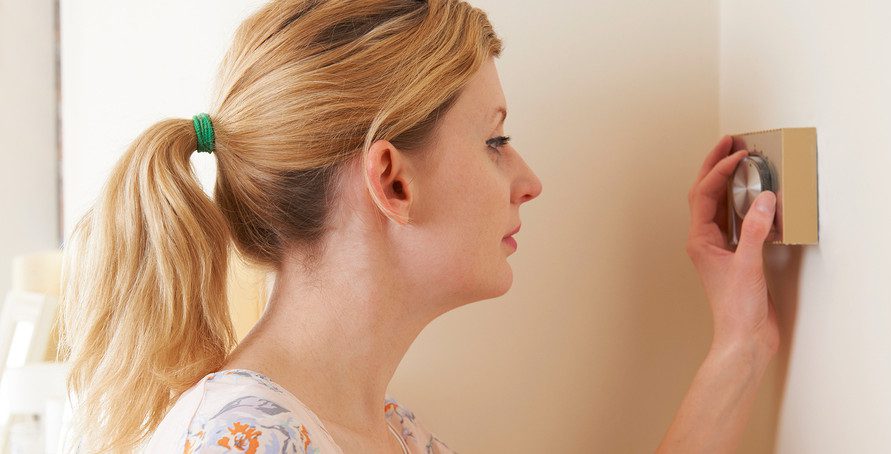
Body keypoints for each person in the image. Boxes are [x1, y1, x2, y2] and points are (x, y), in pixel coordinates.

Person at [57, 0, 779, 453]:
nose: (528, 181)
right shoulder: (240, 442)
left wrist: (742, 344)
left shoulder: (387, 432)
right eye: (494, 141)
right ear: (393, 180)